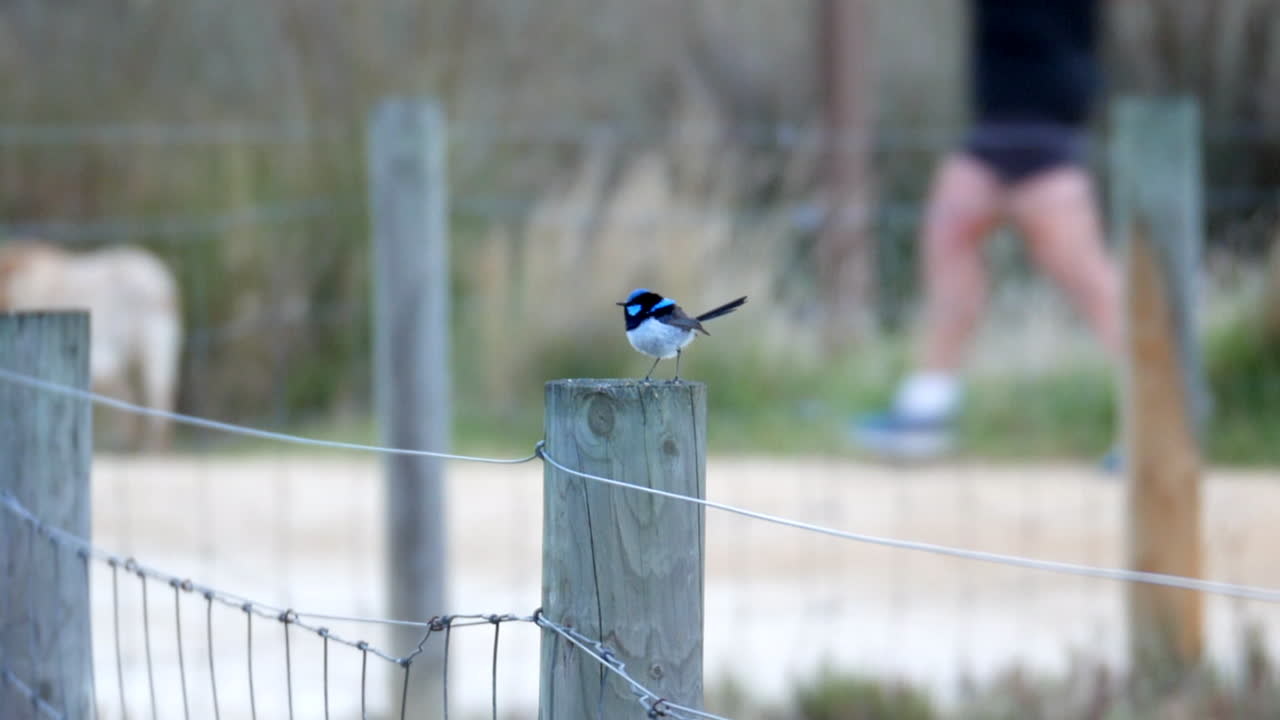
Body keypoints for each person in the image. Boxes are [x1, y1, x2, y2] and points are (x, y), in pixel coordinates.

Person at [855, 0, 1123, 460]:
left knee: (1083, 273)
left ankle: (1163, 411)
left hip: (1047, 123)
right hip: (996, 122)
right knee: (949, 235)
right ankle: (928, 408)